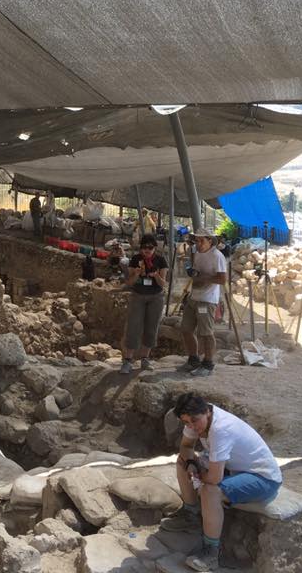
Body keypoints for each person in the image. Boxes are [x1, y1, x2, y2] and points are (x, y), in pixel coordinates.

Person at [161, 392, 282, 572]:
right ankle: (190, 514)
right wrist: (191, 463)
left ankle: (211, 553)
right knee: (182, 461)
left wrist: (199, 474)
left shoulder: (221, 429)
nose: (191, 426)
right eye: (186, 422)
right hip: (235, 469)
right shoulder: (197, 417)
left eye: (194, 421)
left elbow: (214, 479)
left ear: (206, 412)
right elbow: (186, 446)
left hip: (263, 478)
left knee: (210, 491)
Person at [180, 229, 227, 377]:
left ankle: (208, 363)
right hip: (194, 297)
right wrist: (193, 272)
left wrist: (203, 277)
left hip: (207, 300)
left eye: (202, 241)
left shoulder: (217, 256)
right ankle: (193, 359)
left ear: (210, 241)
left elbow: (222, 279)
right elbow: (197, 271)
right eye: (197, 240)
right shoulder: (198, 252)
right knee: (186, 329)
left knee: (206, 333)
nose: (198, 244)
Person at [120, 234, 169, 374]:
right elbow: (129, 282)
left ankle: (145, 358)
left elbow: (163, 284)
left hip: (156, 297)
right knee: (133, 327)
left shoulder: (161, 260)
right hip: (138, 296)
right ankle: (128, 360)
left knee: (151, 327)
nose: (147, 250)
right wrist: (136, 274)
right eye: (144, 247)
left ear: (155, 248)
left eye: (150, 247)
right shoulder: (136, 259)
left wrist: (156, 275)